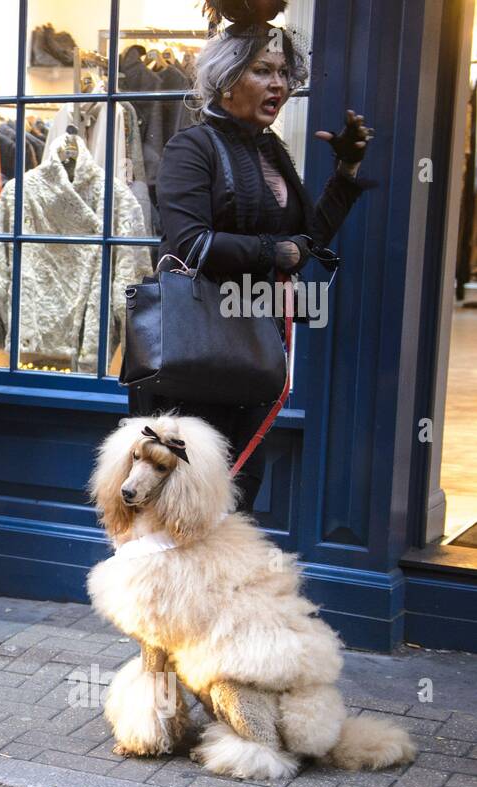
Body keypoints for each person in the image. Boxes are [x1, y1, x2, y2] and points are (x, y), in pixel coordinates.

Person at [130, 15, 371, 513]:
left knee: (233, 508)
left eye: (284, 72)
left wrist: (345, 172)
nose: (278, 84)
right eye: (263, 70)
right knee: (172, 512)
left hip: (253, 351)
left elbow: (306, 241)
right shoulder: (190, 148)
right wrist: (268, 251)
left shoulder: (272, 151)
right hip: (192, 357)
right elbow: (190, 242)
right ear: (226, 79)